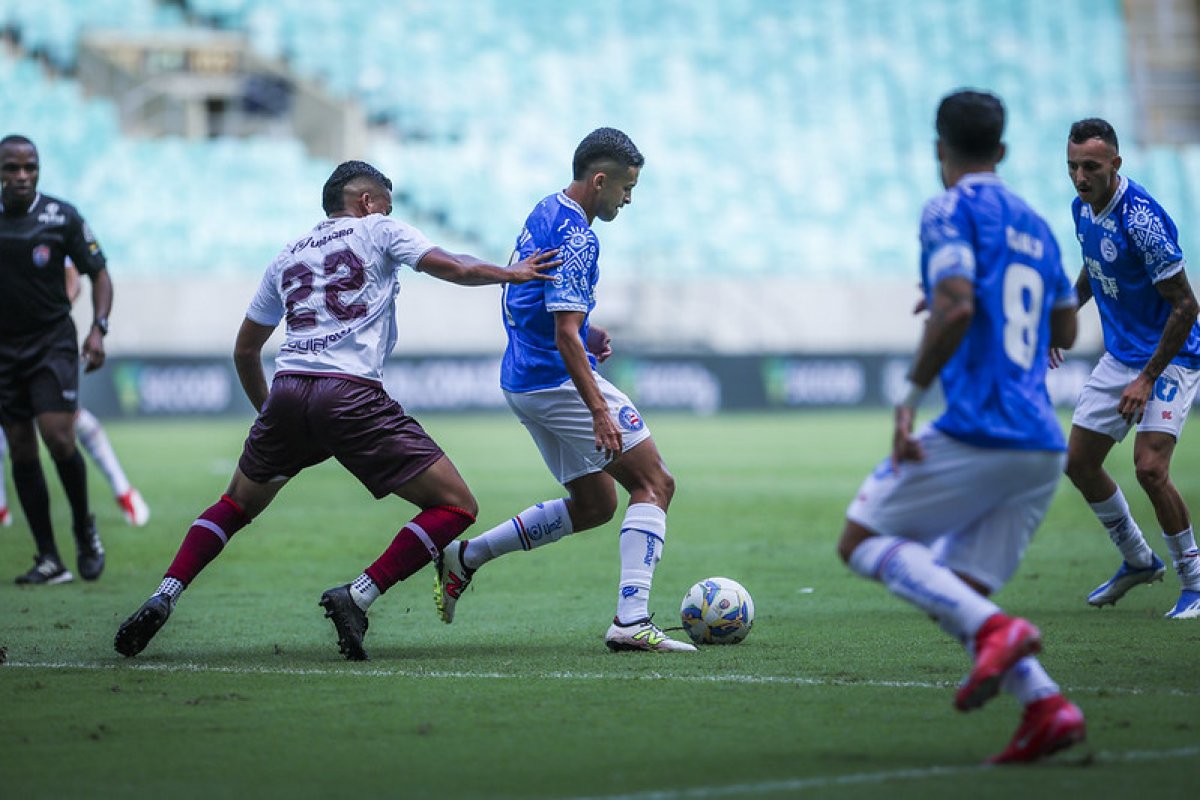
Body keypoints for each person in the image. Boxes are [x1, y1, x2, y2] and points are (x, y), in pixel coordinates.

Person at [113, 160, 558, 660]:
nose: (389, 211)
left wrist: (269, 414)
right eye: (386, 203)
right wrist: (512, 273)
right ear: (368, 202)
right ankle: (360, 593)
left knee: (234, 505)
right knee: (456, 505)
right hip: (349, 394)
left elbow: (244, 350)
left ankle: (164, 594)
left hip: (288, 387)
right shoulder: (378, 228)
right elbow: (452, 266)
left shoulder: (287, 255)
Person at [835, 90, 1085, 763]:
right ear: (1000, 151)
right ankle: (1046, 705)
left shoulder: (948, 208)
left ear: (939, 148)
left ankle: (1003, 634)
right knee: (958, 590)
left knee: (860, 540)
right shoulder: (1036, 222)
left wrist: (910, 396)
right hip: (1041, 446)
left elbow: (957, 304)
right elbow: (1065, 326)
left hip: (981, 428)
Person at [432, 127, 695, 652]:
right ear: (601, 181)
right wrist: (598, 409)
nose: (629, 199)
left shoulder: (545, 209)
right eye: (626, 188)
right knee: (655, 483)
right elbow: (564, 334)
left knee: (595, 503)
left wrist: (583, 328)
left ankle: (466, 557)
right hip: (555, 379)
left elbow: (532, 300)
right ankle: (630, 620)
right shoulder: (579, 236)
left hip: (523, 379)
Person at [1059, 118, 1200, 620]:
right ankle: (1139, 560)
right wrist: (1064, 316)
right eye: (1073, 166)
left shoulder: (1141, 220)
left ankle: (1195, 583)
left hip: (1171, 354)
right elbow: (1094, 269)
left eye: (1090, 167)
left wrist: (1147, 378)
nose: (1080, 177)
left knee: (1149, 468)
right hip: (1121, 355)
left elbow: (1186, 306)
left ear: (1115, 165)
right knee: (1078, 462)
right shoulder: (1082, 208)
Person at [0, 134, 111, 585]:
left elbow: (99, 273)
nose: (22, 176)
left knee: (59, 438)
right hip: (4, 351)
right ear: (1, 172)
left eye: (30, 167)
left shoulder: (62, 216)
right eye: (12, 168)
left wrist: (99, 328)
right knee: (22, 449)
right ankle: (49, 558)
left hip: (51, 344)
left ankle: (84, 529)